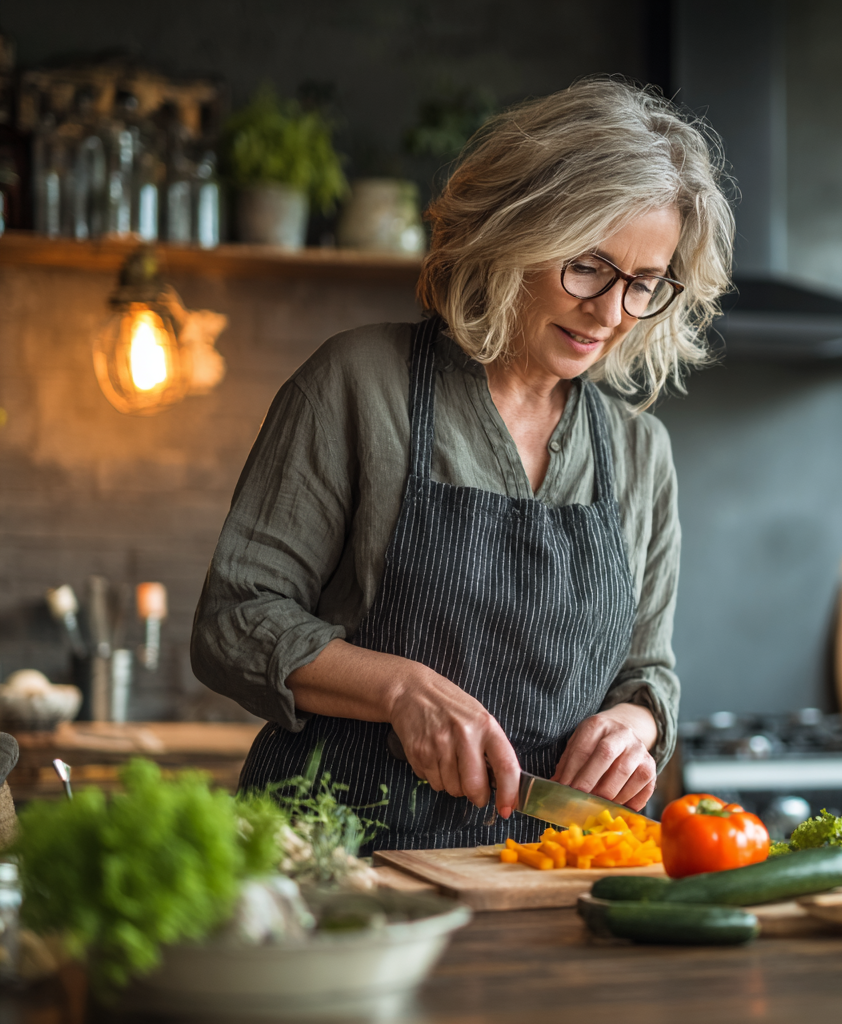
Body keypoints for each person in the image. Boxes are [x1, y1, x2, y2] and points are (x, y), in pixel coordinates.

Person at [191, 76, 734, 852]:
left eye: (643, 285)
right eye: (587, 266)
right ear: (512, 234)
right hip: (337, 861)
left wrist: (633, 725)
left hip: (544, 867)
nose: (611, 313)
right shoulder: (358, 383)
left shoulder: (639, 452)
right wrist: (399, 689)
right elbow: (233, 622)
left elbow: (648, 671)